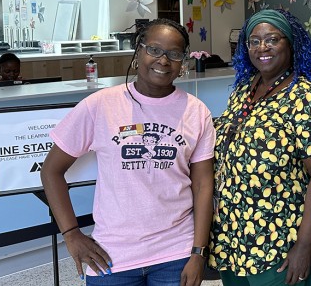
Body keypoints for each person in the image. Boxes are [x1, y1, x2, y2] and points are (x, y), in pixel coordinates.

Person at [40, 18, 216, 286]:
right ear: (138, 51)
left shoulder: (196, 112)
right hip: (111, 256)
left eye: (174, 54)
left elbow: (203, 186)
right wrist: (71, 234)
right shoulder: (100, 106)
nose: (163, 60)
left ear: (183, 63)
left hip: (176, 253)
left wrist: (198, 253)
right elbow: (51, 171)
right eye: (154, 50)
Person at [209, 9, 311, 286]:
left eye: (272, 39)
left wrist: (304, 246)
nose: (262, 48)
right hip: (236, 239)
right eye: (254, 41)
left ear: (290, 44)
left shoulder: (305, 97)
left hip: (282, 241)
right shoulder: (244, 90)